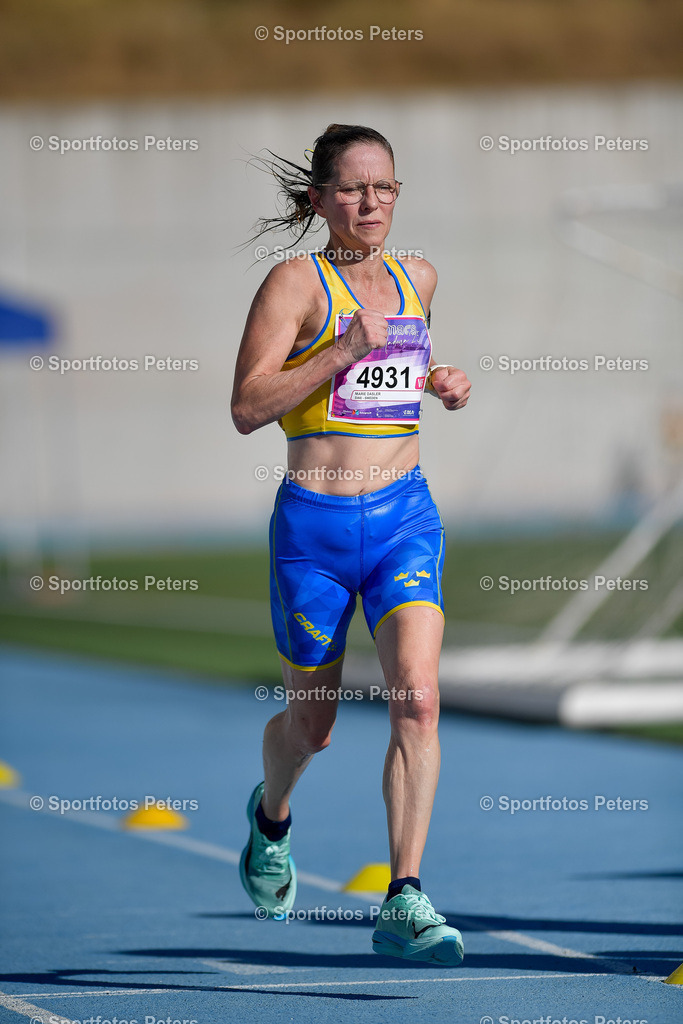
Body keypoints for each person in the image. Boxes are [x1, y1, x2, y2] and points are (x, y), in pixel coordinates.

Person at [231, 123, 472, 966]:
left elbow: (401, 372)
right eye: (352, 189)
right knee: (315, 726)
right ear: (318, 199)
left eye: (385, 188)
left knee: (416, 699)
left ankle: (404, 896)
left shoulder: (418, 276)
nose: (371, 203)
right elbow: (247, 406)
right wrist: (340, 348)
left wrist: (440, 380)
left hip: (404, 515)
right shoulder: (294, 283)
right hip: (315, 529)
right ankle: (272, 818)